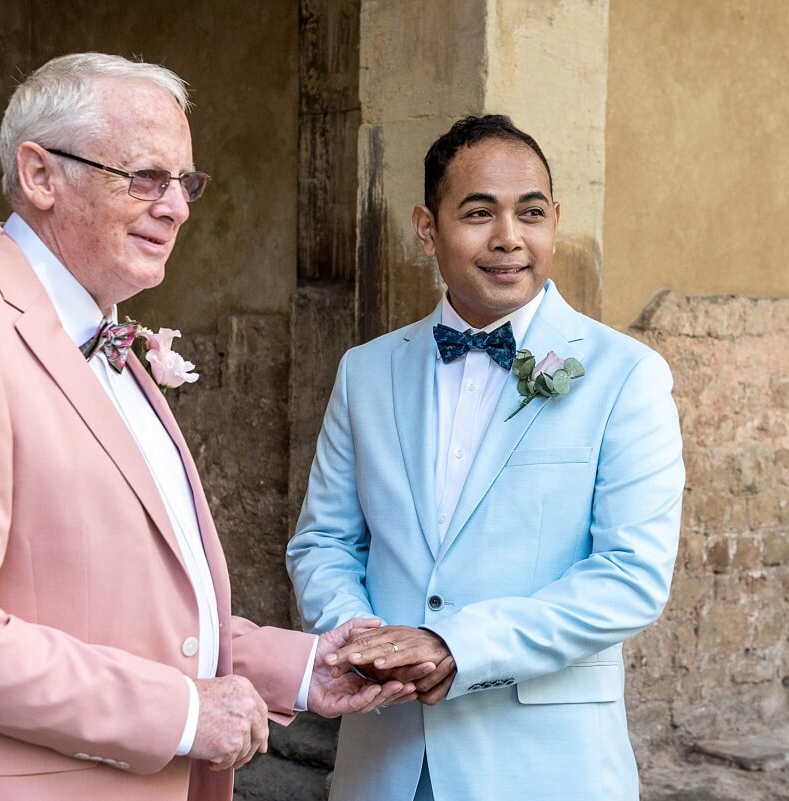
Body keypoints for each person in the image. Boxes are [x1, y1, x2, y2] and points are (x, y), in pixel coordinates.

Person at [0, 52, 409, 801]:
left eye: (186, 183)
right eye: (145, 177)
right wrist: (181, 713)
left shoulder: (105, 335)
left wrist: (304, 666)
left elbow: (126, 610)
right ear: (40, 175)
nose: (177, 206)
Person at [287, 114, 685, 801]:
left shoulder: (626, 374)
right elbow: (323, 540)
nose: (508, 237)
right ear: (426, 228)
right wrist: (364, 640)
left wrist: (453, 643)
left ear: (553, 221)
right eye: (478, 213)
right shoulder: (366, 371)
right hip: (383, 757)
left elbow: (630, 576)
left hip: (543, 767)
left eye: (530, 213)